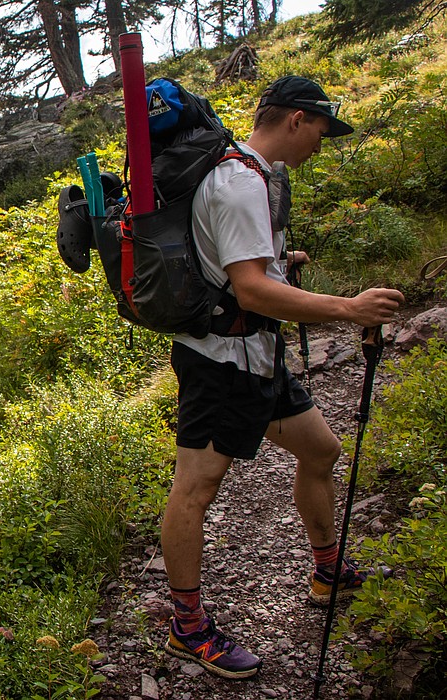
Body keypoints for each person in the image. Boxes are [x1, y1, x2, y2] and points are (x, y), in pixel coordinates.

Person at [159, 76, 405, 680]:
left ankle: (327, 567)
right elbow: (249, 288)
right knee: (197, 486)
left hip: (258, 353)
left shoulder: (253, 172)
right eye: (322, 127)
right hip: (221, 359)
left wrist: (281, 263)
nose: (324, 140)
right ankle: (187, 627)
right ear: (296, 119)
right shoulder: (240, 180)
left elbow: (244, 266)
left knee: (320, 450)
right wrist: (350, 309)